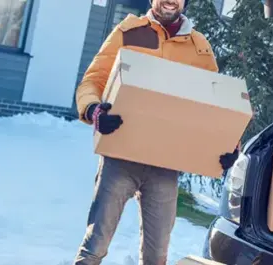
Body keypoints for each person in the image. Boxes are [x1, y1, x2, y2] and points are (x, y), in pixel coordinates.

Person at [73, 0, 238, 264]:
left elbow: (214, 105)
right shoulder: (128, 32)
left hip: (165, 166)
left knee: (156, 257)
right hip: (121, 158)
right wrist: (94, 110)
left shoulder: (199, 47)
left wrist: (229, 145)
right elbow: (93, 81)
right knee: (95, 246)